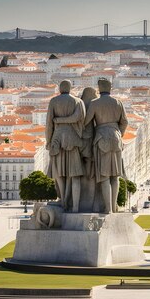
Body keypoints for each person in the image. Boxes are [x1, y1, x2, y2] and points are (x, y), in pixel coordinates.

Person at [84, 78, 128, 214]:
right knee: (115, 175)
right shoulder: (118, 102)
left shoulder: (95, 103)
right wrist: (119, 133)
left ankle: (108, 209)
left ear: (99, 89)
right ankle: (114, 207)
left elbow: (87, 121)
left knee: (104, 176)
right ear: (110, 88)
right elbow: (125, 122)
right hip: (116, 138)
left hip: (101, 138)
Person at [46, 80, 86, 212]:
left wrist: (48, 141)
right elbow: (80, 119)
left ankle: (63, 200)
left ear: (59, 89)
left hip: (57, 139)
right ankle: (75, 206)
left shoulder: (53, 101)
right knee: (74, 175)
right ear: (70, 88)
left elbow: (49, 124)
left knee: (59, 174)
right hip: (73, 140)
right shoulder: (78, 102)